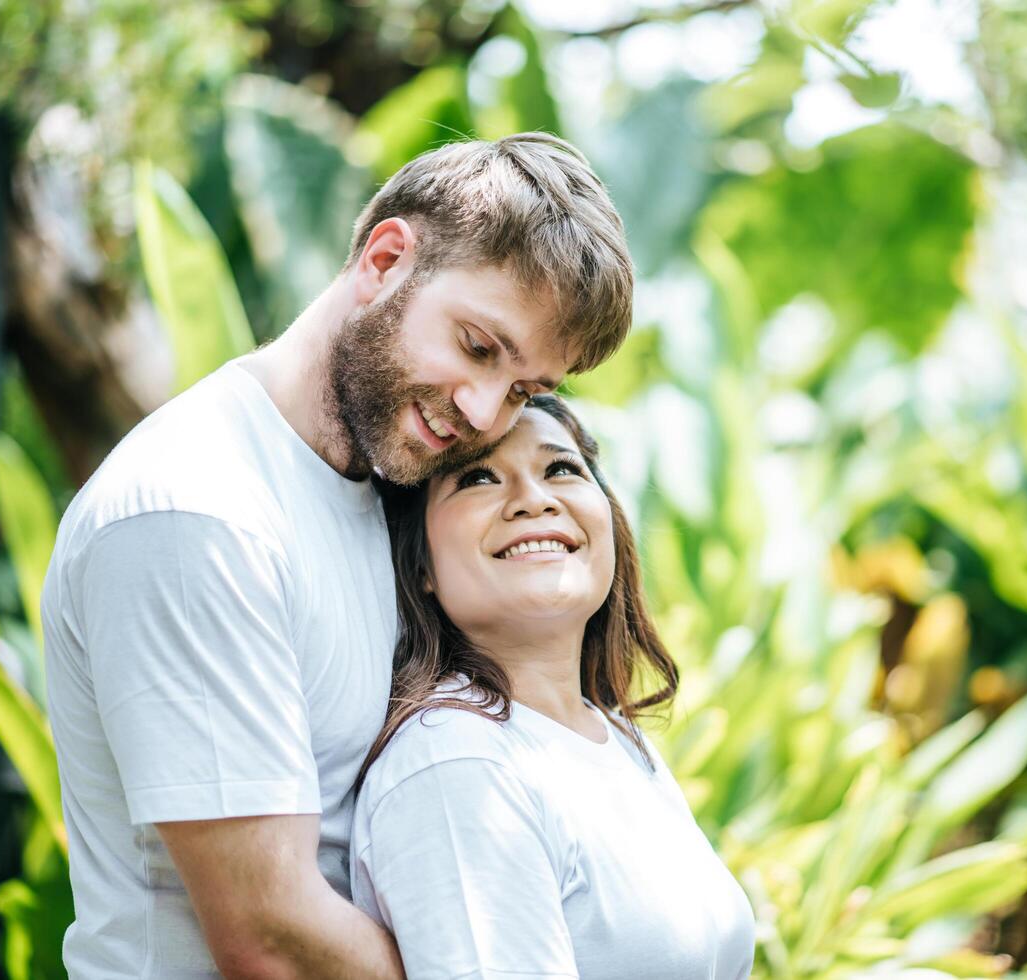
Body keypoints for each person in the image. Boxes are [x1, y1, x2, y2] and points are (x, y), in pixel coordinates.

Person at [40, 133, 634, 978]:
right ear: (386, 258)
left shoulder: (392, 487)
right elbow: (268, 936)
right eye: (475, 346)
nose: (482, 409)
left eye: (524, 390)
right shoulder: (197, 508)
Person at [350, 394, 756, 979]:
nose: (534, 500)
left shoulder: (609, 734)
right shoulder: (457, 766)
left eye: (561, 469)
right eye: (478, 478)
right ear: (422, 566)